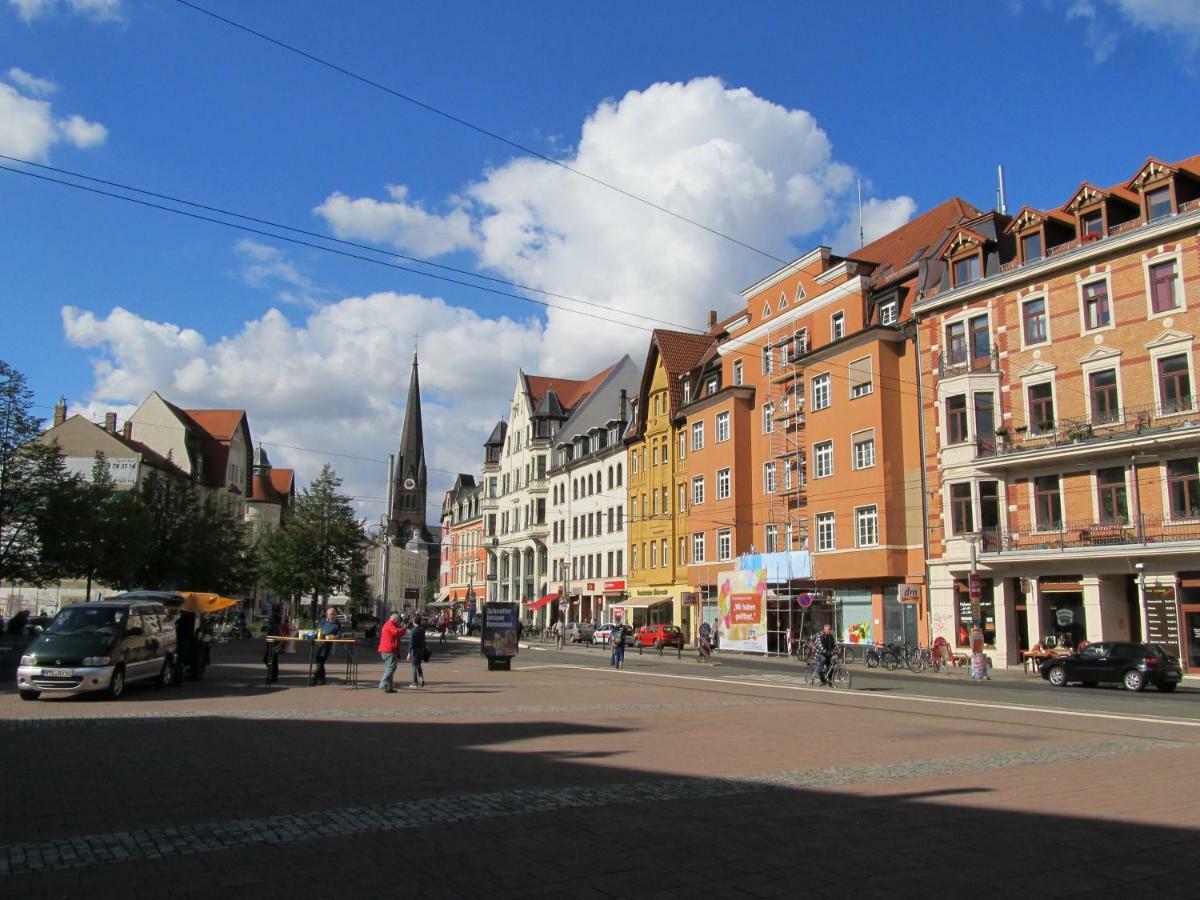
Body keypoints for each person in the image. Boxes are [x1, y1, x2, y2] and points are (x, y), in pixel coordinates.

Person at [312, 607, 341, 685]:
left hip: (327, 645)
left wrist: (333, 637)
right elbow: (318, 629)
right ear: (327, 615)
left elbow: (339, 634)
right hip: (319, 643)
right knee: (318, 661)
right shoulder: (323, 621)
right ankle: (322, 679)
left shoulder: (337, 623)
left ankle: (314, 679)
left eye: (334, 614)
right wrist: (322, 634)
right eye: (331, 614)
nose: (333, 616)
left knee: (321, 661)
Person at [378, 612, 403, 693]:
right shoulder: (390, 625)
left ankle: (389, 687)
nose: (399, 621)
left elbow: (398, 635)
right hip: (388, 650)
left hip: (388, 650)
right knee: (392, 667)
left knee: (388, 668)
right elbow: (396, 632)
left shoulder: (390, 624)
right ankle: (383, 683)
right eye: (398, 620)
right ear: (395, 619)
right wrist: (404, 628)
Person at [263, 612, 283, 683]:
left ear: (274, 619)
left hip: (272, 646)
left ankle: (272, 675)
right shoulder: (275, 626)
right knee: (273, 661)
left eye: (272, 618)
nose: (270, 619)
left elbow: (274, 637)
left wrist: (274, 646)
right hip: (273, 646)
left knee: (269, 660)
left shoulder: (275, 626)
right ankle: (273, 676)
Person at [408, 615, 427, 687]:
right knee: (418, 665)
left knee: (414, 666)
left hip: (415, 650)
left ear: (414, 622)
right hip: (421, 649)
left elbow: (411, 642)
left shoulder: (413, 631)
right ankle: (421, 678)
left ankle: (415, 682)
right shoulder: (422, 630)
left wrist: (409, 652)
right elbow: (424, 640)